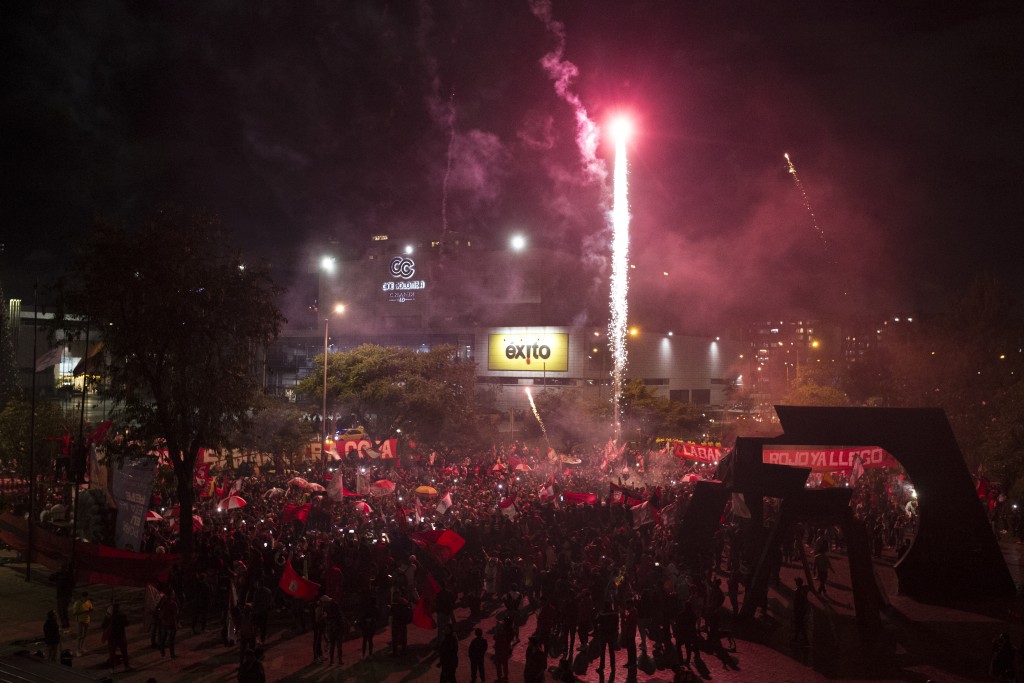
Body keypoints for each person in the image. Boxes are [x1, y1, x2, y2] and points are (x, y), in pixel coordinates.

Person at [102, 602, 130, 670]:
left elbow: (103, 625)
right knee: (124, 652)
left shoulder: (109, 617)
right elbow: (127, 623)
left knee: (112, 653)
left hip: (112, 638)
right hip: (121, 636)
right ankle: (126, 666)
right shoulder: (122, 615)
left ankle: (112, 668)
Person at [594, 601, 618, 674]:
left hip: (603, 634)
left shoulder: (602, 613)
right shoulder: (614, 613)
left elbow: (596, 621)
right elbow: (616, 623)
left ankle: (602, 667)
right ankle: (613, 668)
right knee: (611, 652)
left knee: (602, 652)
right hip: (611, 635)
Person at [71, 590, 94, 656]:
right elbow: (75, 613)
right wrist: (84, 612)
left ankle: (82, 647)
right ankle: (78, 650)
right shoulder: (77, 603)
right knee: (80, 636)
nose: (86, 599)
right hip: (80, 621)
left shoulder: (88, 602)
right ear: (82, 597)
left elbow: (91, 609)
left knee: (84, 635)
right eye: (85, 597)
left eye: (87, 597)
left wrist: (91, 610)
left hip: (87, 620)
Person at [158, 590, 179, 658]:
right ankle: (172, 655)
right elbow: (175, 615)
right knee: (171, 640)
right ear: (171, 595)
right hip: (171, 624)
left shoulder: (163, 603)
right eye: (173, 593)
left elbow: (160, 613)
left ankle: (162, 653)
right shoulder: (173, 604)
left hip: (164, 623)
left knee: (163, 639)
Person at [792, 577, 810, 644]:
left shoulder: (797, 592)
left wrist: (794, 611)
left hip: (799, 610)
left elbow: (796, 603)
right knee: (800, 624)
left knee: (799, 624)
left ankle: (804, 640)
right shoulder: (804, 589)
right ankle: (796, 638)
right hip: (803, 609)